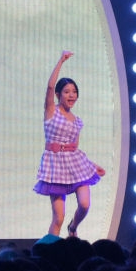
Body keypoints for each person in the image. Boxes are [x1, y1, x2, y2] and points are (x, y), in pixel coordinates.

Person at [34, 51, 105, 238]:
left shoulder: (77, 120)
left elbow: (75, 148)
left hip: (76, 166)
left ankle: (73, 227)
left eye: (74, 92)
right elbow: (50, 86)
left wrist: (92, 165)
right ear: (58, 95)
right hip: (56, 166)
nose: (71, 95)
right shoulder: (51, 110)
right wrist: (61, 60)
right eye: (67, 92)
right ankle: (51, 251)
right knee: (58, 217)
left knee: (85, 204)